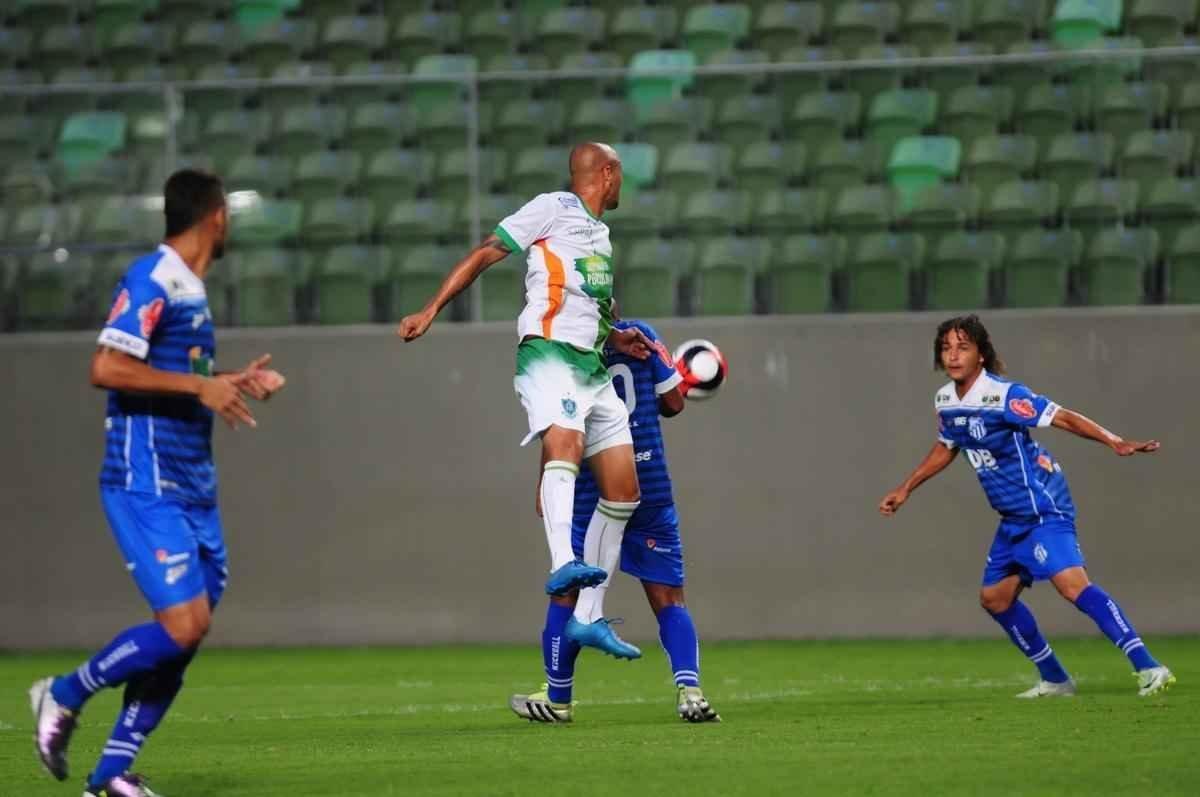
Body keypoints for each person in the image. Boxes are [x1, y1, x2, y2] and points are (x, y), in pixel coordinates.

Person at [29, 169, 286, 797]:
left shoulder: (190, 290)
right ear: (217, 216)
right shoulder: (154, 277)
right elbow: (107, 365)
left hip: (194, 483)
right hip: (146, 481)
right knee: (183, 625)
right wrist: (201, 386)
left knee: (185, 636)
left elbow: (173, 374)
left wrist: (224, 378)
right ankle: (62, 693)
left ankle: (111, 775)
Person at [398, 143, 652, 659]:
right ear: (608, 173)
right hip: (549, 352)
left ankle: (588, 617)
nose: (622, 183)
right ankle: (563, 561)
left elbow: (590, 305)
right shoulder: (551, 207)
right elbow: (487, 251)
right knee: (566, 442)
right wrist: (431, 309)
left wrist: (616, 336)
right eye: (620, 174)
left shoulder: (600, 235)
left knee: (624, 491)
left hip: (592, 365)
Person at [879, 314, 1175, 698]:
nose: (953, 355)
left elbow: (1061, 416)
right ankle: (1055, 679)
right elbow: (946, 445)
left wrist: (1114, 441)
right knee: (995, 598)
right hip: (1012, 518)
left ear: (981, 355)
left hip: (1041, 508)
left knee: (1072, 587)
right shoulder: (946, 400)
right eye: (946, 347)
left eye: (963, 347)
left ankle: (1150, 666)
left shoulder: (1003, 395)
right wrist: (906, 488)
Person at [510, 319, 720, 724]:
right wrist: (660, 363)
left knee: (567, 596)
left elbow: (558, 427)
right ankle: (690, 691)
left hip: (590, 489)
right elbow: (674, 403)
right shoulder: (639, 333)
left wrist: (544, 480)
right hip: (648, 483)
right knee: (669, 599)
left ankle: (558, 699)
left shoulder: (566, 348)